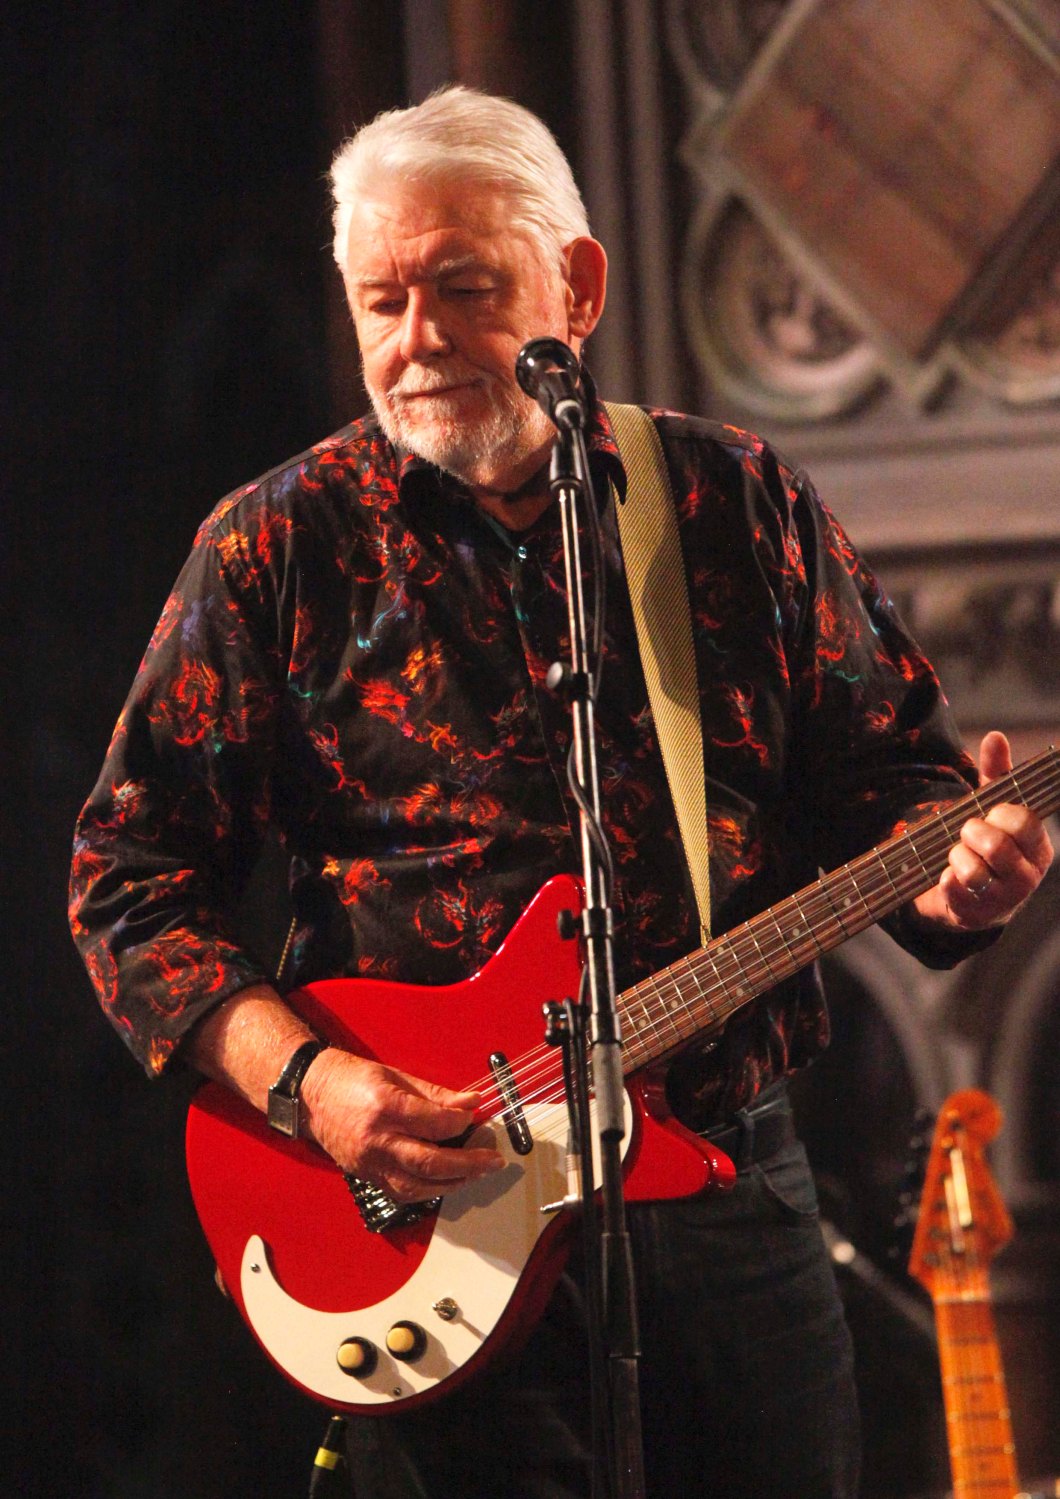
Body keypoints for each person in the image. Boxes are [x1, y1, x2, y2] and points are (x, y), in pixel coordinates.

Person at [69, 86, 1053, 1499]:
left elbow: (896, 782)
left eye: (464, 289)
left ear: (576, 288)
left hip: (724, 1198)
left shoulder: (733, 500)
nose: (417, 339)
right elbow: (128, 879)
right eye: (383, 301)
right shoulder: (275, 547)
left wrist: (959, 877)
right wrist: (312, 1084)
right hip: (427, 1217)